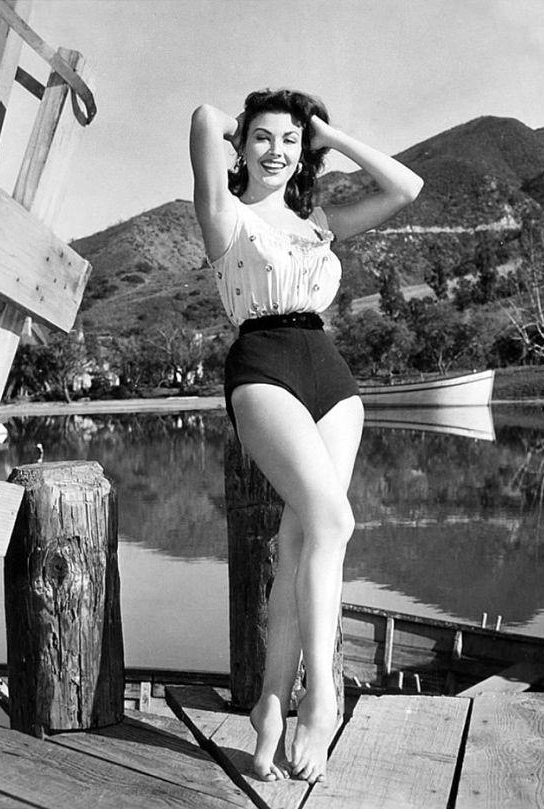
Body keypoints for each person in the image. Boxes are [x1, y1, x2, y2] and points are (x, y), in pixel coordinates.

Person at [189, 89, 423, 784]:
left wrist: (328, 133)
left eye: (290, 141)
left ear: (304, 151)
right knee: (333, 520)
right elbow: (203, 119)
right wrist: (248, 122)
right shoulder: (224, 213)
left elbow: (406, 188)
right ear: (241, 146)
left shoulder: (318, 221)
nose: (277, 150)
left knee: (299, 544)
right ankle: (321, 695)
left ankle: (269, 704)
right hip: (262, 367)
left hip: (330, 375)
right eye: (263, 137)